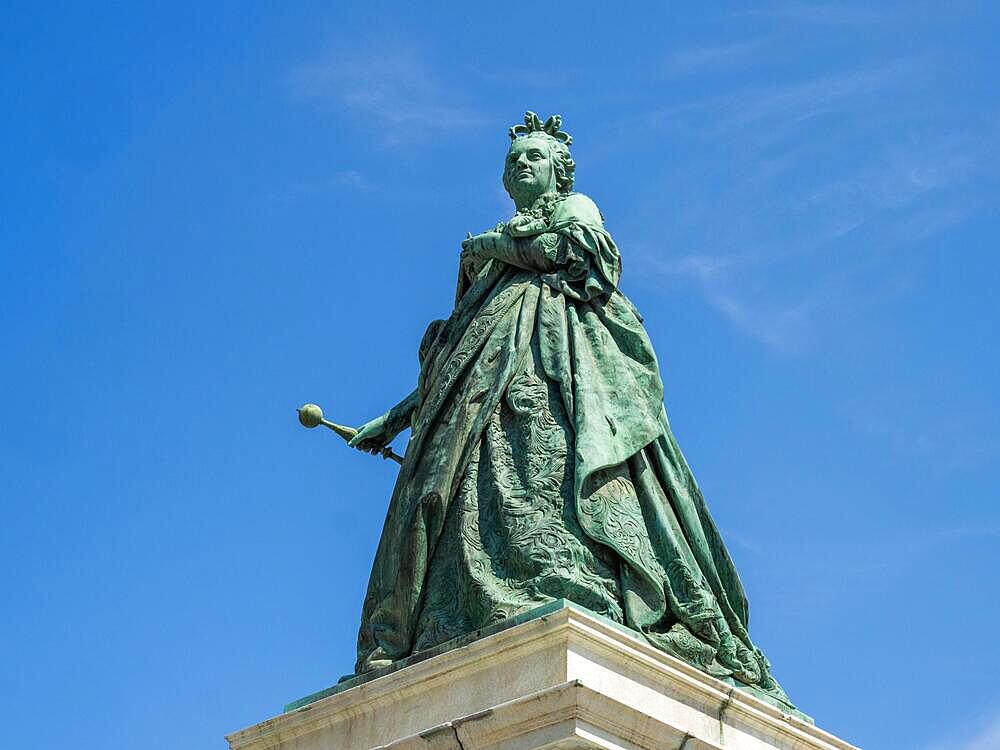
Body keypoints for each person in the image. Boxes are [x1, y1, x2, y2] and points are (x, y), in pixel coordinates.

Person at [346, 112, 795, 712]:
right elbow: (455, 354)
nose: (519, 165)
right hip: (478, 385)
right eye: (513, 160)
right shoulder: (490, 261)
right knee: (454, 487)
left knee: (545, 459)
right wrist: (395, 419)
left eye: (533, 157)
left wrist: (490, 246)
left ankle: (573, 582)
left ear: (559, 173)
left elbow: (574, 254)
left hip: (560, 364)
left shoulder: (571, 209)